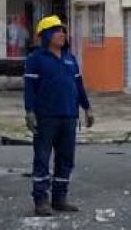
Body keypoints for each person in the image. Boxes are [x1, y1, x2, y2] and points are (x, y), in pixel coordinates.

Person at [23, 16, 94, 216]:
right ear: (46, 35)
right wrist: (29, 112)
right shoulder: (35, 59)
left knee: (66, 159)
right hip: (46, 117)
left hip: (69, 117)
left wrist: (87, 108)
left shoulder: (70, 58)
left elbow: (78, 86)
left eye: (63, 31)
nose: (62, 34)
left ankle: (59, 198)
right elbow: (29, 88)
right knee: (42, 159)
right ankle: (41, 201)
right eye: (57, 31)